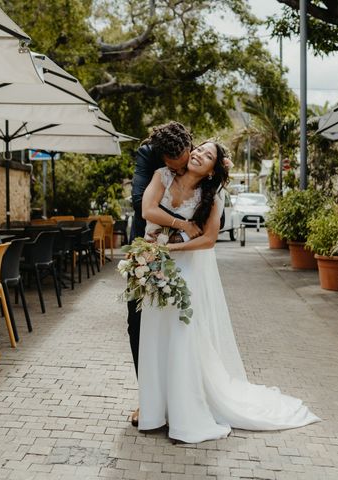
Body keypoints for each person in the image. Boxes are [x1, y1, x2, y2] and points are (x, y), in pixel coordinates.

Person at [138, 141, 319, 443]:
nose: (198, 155)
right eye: (199, 150)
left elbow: (208, 240)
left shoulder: (212, 198)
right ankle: (156, 412)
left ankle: (187, 415)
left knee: (183, 336)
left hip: (186, 271)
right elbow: (148, 210)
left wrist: (175, 247)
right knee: (156, 333)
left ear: (212, 170)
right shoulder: (163, 175)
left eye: (208, 156)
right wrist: (163, 244)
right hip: (154, 265)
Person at [128, 121, 202, 426]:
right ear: (162, 157)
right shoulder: (149, 157)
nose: (184, 166)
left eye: (187, 158)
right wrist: (182, 221)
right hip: (147, 249)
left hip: (187, 256)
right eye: (176, 164)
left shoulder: (199, 157)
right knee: (137, 323)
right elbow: (138, 202)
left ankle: (183, 398)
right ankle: (148, 400)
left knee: (181, 328)